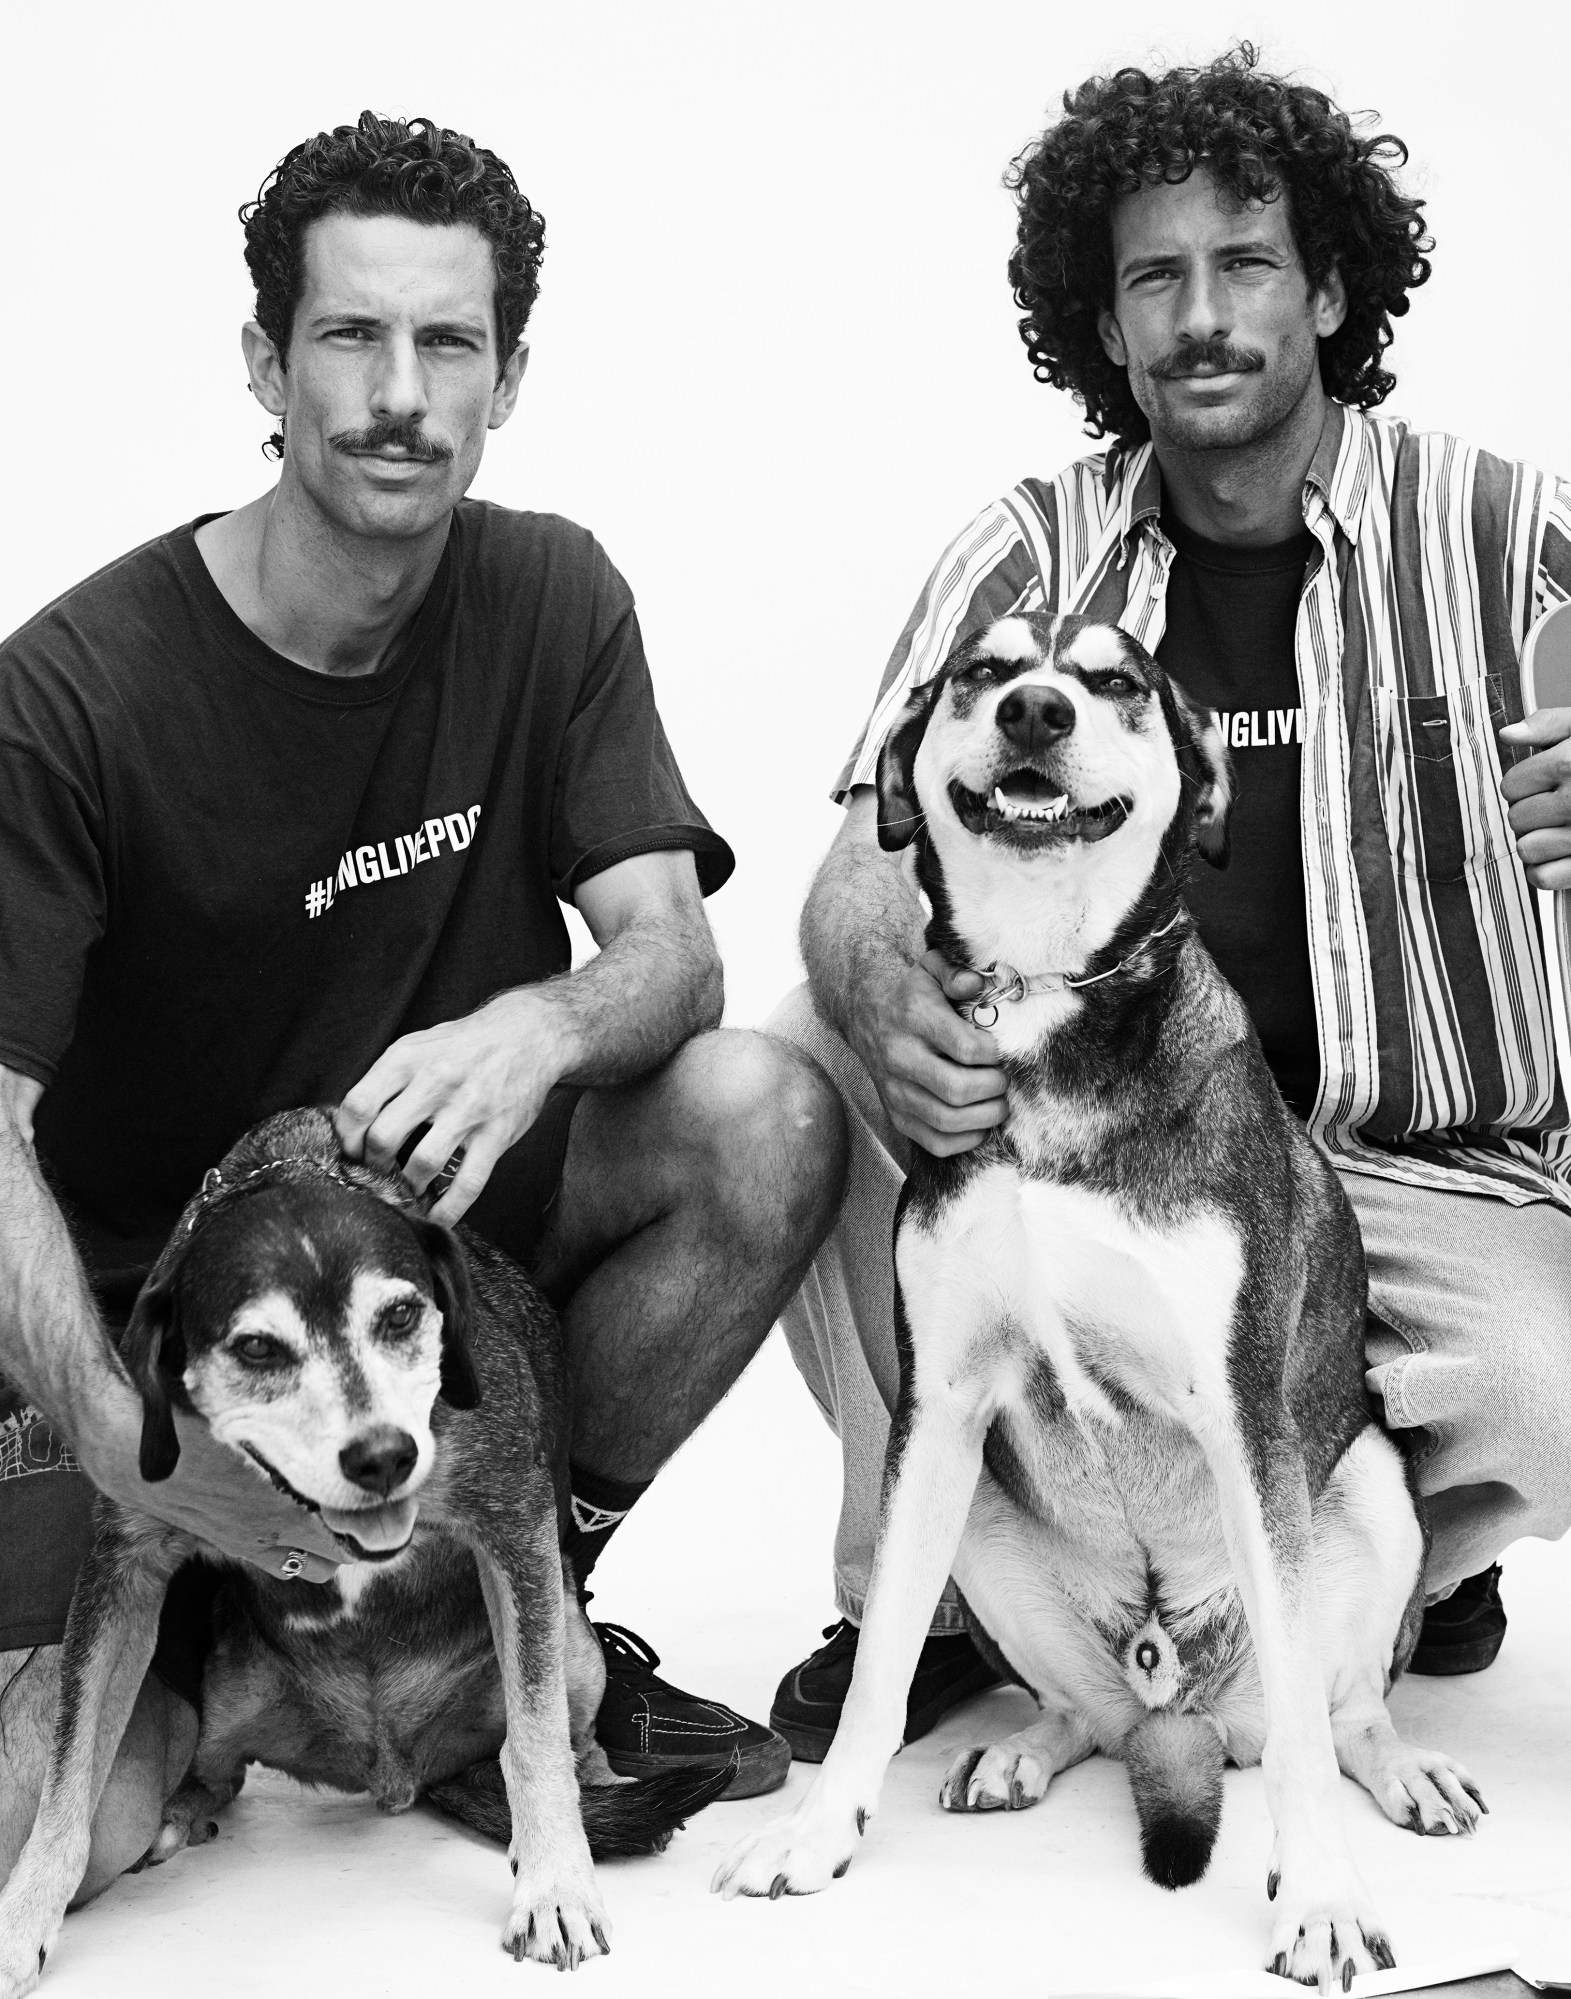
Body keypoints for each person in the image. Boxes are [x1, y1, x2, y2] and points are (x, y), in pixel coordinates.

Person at [0, 111, 848, 1897]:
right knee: (42, 1828)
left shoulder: (549, 589)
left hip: (429, 1246)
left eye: (446, 342)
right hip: (155, 1311)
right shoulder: (73, 696)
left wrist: (537, 1027)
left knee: (763, 1114)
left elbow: (671, 954)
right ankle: (240, 1655)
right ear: (267, 360)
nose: (400, 392)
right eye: (351, 336)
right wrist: (113, 1430)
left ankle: (515, 1618)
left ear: (507, 375)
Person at [765, 46, 1571, 1761]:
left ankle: (1386, 1562)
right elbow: (853, 860)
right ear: (1107, 325)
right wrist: (883, 994)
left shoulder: (1503, 534)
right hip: (1095, 1107)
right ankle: (946, 1595)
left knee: (1553, 1394)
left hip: (1411, 1154)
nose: (1203, 316)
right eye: (1156, 278)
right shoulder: (1029, 551)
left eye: (1246, 264)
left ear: (1333, 287)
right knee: (800, 1051)